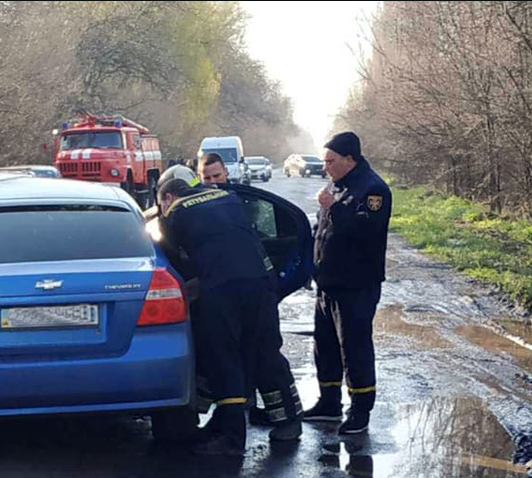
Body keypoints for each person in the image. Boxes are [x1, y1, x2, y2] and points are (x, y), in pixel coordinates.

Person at [157, 173, 302, 455]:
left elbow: (174, 257)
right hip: (261, 283)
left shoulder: (175, 212)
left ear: (168, 198)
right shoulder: (228, 197)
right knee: (266, 350)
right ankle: (288, 420)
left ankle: (231, 436)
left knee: (224, 355)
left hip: (223, 289)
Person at [305, 131, 392, 435]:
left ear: (349, 159)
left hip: (356, 285)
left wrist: (334, 207)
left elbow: (364, 231)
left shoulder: (373, 190)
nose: (325, 166)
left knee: (354, 349)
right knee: (324, 346)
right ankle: (329, 402)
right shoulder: (335, 185)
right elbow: (322, 232)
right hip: (328, 283)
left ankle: (360, 411)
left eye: (330, 161)